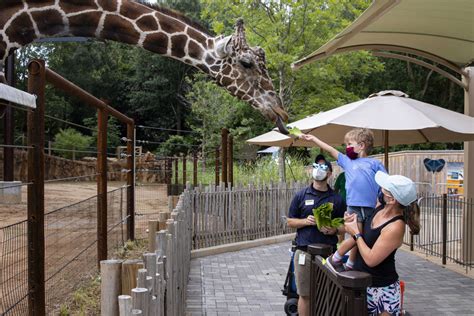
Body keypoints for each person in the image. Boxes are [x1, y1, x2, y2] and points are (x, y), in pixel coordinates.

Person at [299, 128, 386, 271]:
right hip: (353, 207)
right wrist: (313, 139)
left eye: (349, 144)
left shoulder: (375, 164)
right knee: (355, 235)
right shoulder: (347, 161)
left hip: (372, 207)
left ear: (361, 145)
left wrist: (381, 203)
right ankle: (336, 258)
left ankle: (351, 264)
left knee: (363, 237)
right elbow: (330, 149)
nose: (347, 148)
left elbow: (384, 184)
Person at [345, 171, 420, 316]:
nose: (380, 190)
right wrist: (351, 223)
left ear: (392, 199)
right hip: (361, 283)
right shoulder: (380, 208)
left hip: (382, 290)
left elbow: (371, 259)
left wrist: (356, 233)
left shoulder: (396, 226)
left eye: (384, 188)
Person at [287, 155, 346, 316]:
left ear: (329, 174)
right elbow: (290, 221)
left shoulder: (337, 199)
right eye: (316, 166)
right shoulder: (301, 195)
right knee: (304, 294)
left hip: (328, 254)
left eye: (323, 168)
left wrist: (334, 229)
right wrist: (305, 221)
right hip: (304, 252)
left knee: (327, 293)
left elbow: (344, 226)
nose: (318, 170)